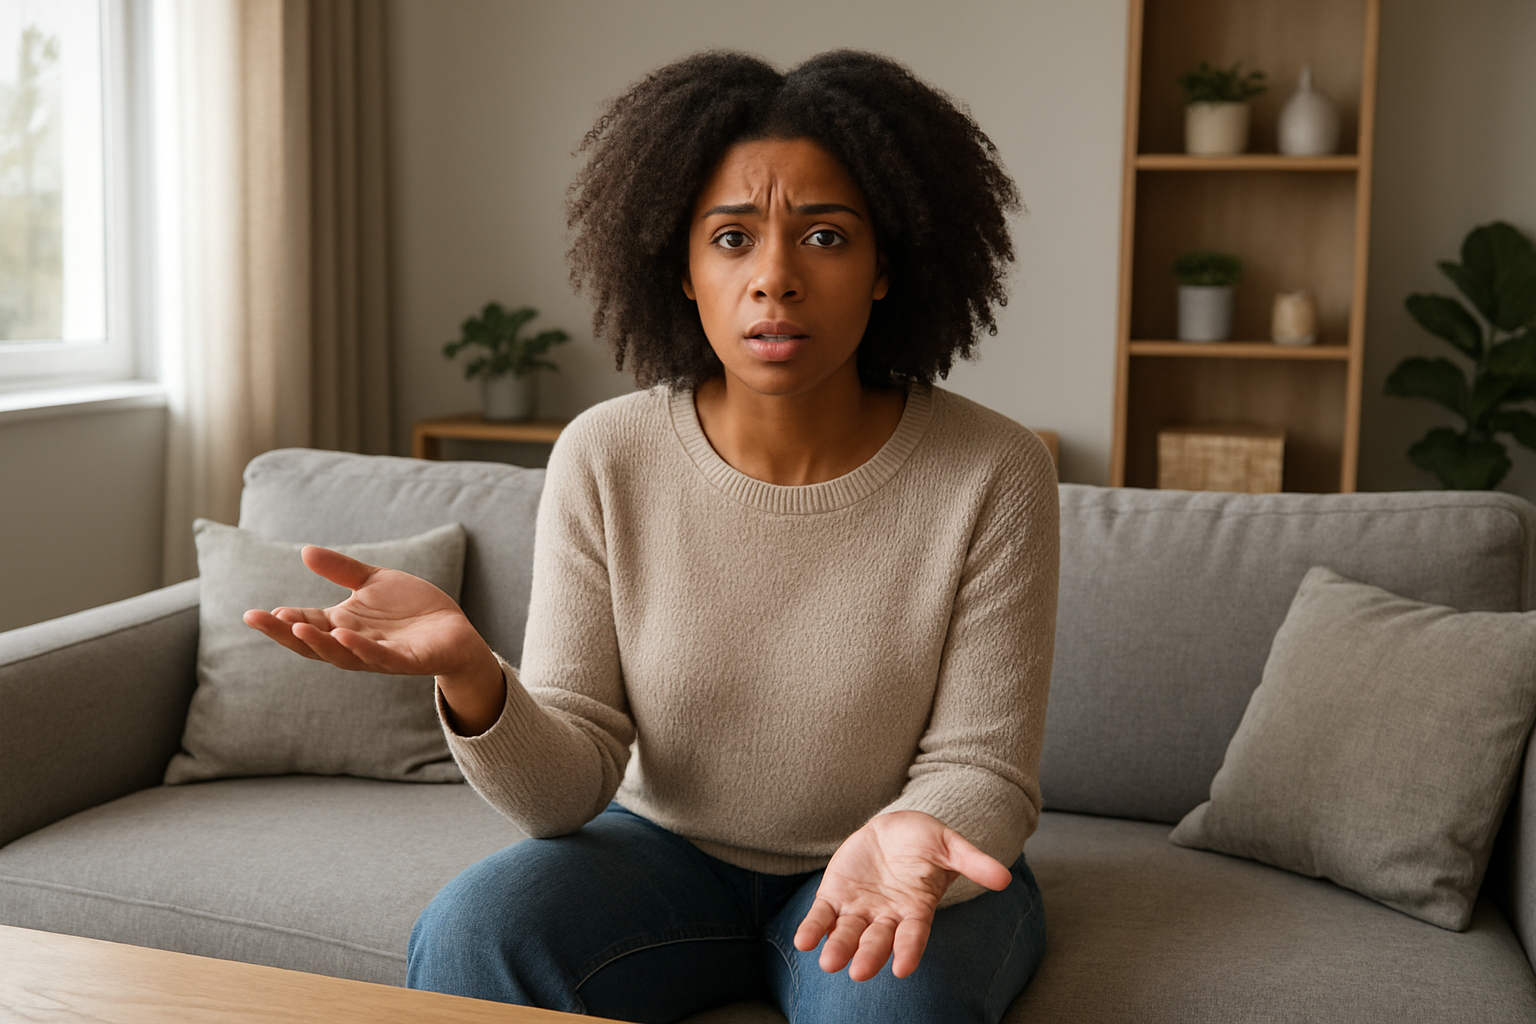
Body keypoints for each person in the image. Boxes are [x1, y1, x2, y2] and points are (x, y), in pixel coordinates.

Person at [245, 49, 1059, 1024]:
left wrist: (921, 832)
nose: (775, 279)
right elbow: (566, 789)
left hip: (893, 865)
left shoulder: (995, 469)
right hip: (664, 855)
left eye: (827, 236)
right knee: (473, 932)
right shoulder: (605, 453)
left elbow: (985, 767)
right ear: (679, 266)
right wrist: (472, 673)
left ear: (889, 266)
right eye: (730, 238)